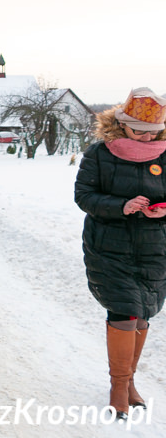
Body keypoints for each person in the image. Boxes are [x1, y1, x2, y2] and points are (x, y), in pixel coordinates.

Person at [74, 87, 166, 420]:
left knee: (144, 313)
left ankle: (129, 383)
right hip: (108, 245)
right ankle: (118, 387)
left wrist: (162, 210)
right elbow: (84, 196)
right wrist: (122, 206)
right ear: (122, 124)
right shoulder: (100, 153)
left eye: (152, 132)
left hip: (155, 246)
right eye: (139, 130)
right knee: (125, 311)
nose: (145, 137)